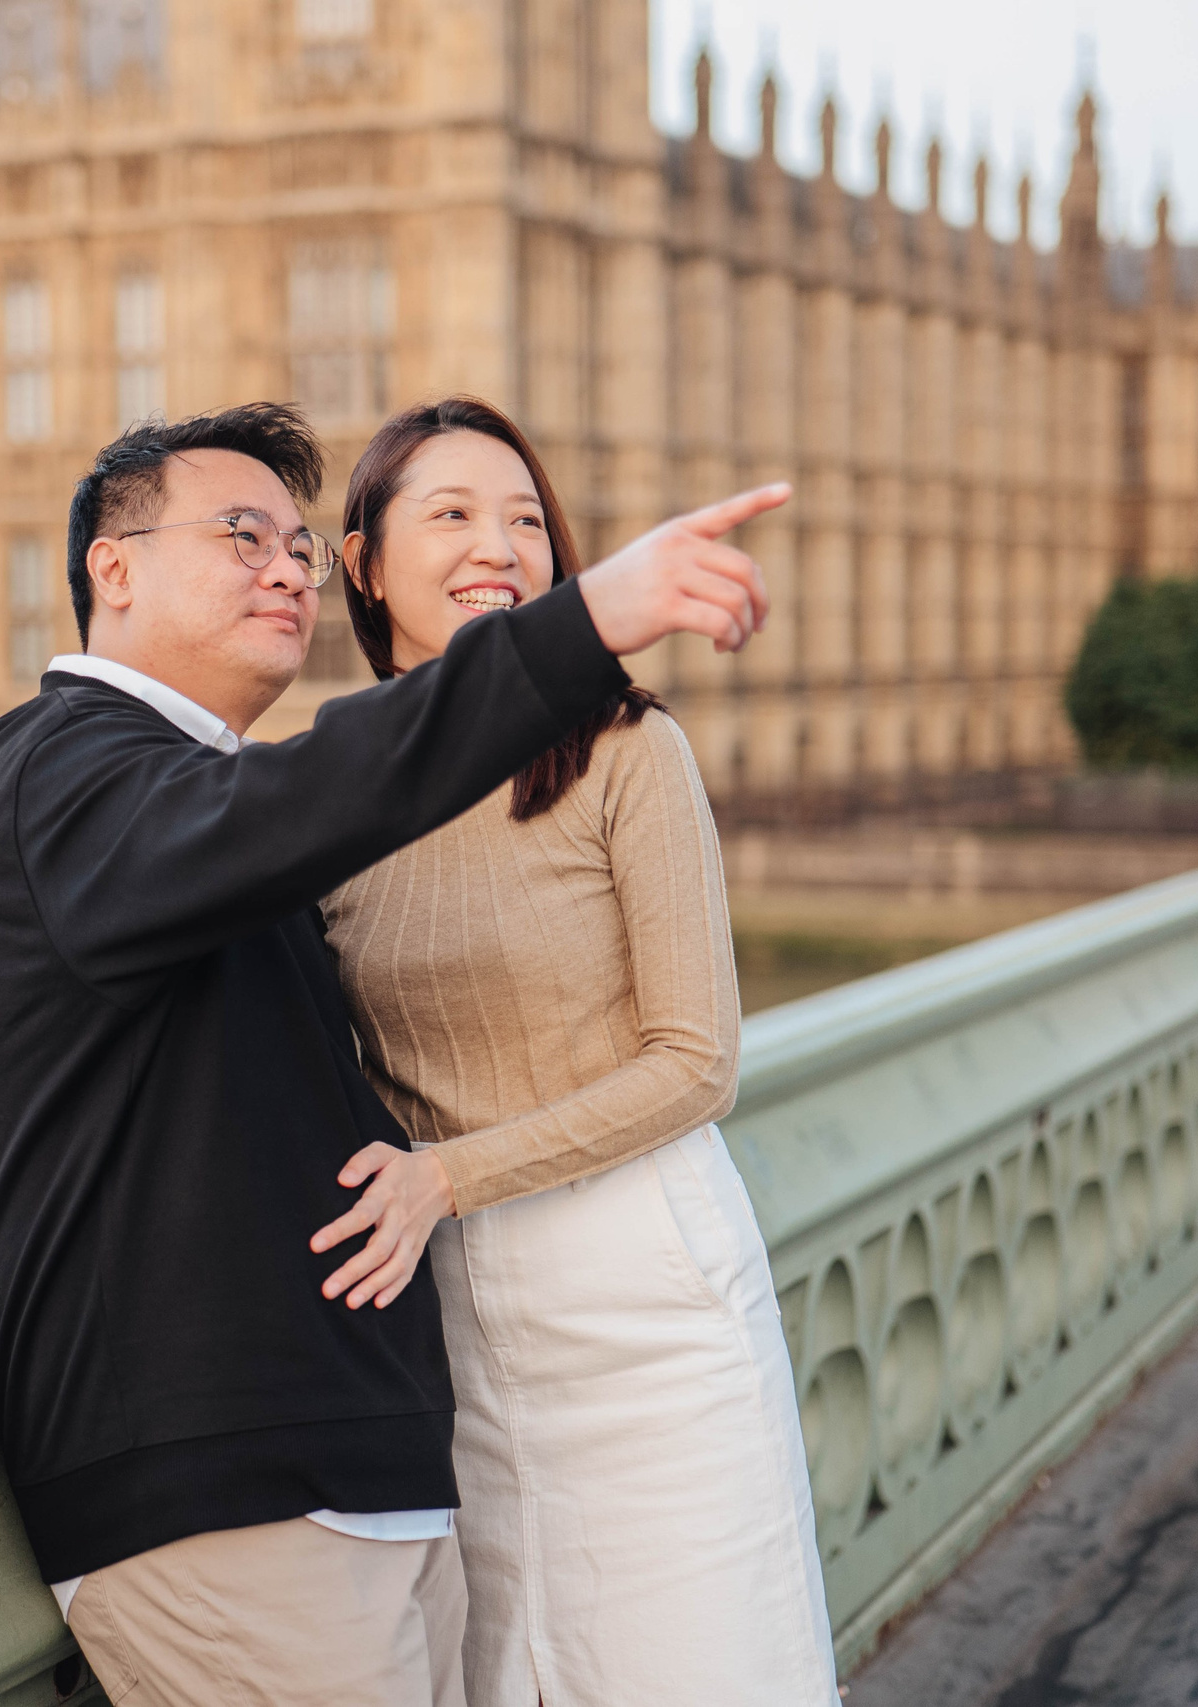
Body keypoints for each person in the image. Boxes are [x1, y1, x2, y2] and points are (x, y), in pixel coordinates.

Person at [0, 400, 788, 1707]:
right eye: (239, 534)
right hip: (226, 1485)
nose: (284, 568)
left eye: (295, 547)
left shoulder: (220, 800)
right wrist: (583, 628)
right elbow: (309, 796)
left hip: (376, 1460)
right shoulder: (64, 771)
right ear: (115, 568)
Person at [313, 396, 837, 1706]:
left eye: (527, 520)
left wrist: (447, 1176)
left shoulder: (623, 750)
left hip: (642, 1304)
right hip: (458, 1341)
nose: (499, 545)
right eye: (453, 515)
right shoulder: (329, 795)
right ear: (365, 565)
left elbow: (696, 1062)